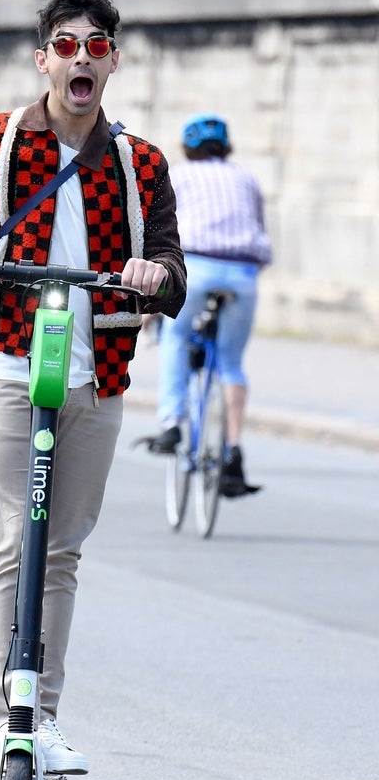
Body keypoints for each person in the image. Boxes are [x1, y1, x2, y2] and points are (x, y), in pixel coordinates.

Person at [0, 0, 186, 776]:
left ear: (113, 63)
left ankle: (45, 713)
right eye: (66, 46)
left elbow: (173, 268)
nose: (80, 59)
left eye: (95, 47)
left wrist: (151, 275)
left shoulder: (138, 163)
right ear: (43, 60)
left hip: (97, 365)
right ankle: (8, 723)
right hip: (7, 353)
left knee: (60, 547)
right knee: (12, 535)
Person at [150, 112, 272, 497]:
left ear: (189, 148)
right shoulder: (246, 178)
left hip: (197, 266)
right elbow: (262, 235)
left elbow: (162, 233)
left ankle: (171, 424)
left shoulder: (181, 177)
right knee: (232, 363)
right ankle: (233, 450)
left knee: (175, 335)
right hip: (243, 273)